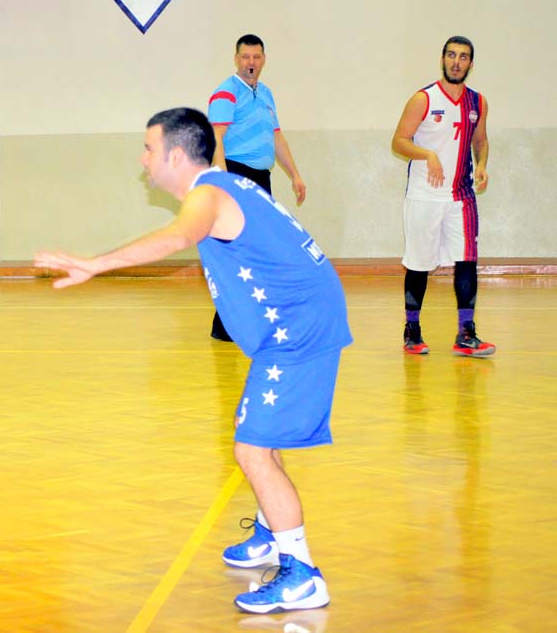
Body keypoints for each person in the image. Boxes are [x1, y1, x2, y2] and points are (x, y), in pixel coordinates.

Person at [35, 108, 351, 613]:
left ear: (176, 155)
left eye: (149, 149)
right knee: (258, 434)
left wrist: (97, 264)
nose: (143, 160)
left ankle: (301, 574)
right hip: (297, 321)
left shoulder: (207, 195)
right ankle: (272, 533)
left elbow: (178, 237)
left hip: (299, 329)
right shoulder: (225, 184)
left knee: (251, 449)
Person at [391, 35, 494, 357]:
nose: (456, 62)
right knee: (419, 263)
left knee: (467, 260)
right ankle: (412, 330)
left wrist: (482, 166)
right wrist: (428, 155)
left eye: (463, 57)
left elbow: (480, 142)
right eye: (451, 55)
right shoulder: (423, 99)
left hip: (461, 197)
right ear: (442, 59)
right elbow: (399, 141)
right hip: (424, 195)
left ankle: (466, 333)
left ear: (470, 64)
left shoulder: (478, 102)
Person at [206, 34, 306, 341]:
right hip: (236, 174)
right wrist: (225, 182)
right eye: (245, 56)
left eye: (256, 57)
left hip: (261, 179)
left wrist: (295, 175)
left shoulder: (265, 93)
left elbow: (277, 137)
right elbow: (216, 138)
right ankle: (227, 325)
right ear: (236, 58)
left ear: (263, 60)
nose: (251, 62)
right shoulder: (226, 92)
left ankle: (239, 322)